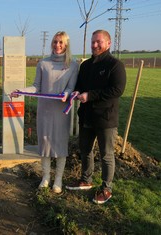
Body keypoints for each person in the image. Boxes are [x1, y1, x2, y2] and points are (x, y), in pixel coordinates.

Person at [11, 31, 79, 193]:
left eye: (61, 42)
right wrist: (22, 90)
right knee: (45, 143)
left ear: (66, 45)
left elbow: (71, 87)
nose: (58, 45)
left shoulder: (73, 65)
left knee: (60, 145)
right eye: (55, 42)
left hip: (61, 111)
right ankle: (46, 177)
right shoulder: (43, 64)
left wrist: (67, 94)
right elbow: (36, 87)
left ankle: (58, 180)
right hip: (45, 111)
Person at [65, 30, 126, 204]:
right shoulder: (86, 65)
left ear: (108, 43)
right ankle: (86, 180)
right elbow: (80, 85)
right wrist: (77, 91)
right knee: (85, 150)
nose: (95, 45)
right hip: (86, 115)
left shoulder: (115, 65)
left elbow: (117, 90)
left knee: (106, 154)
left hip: (105, 118)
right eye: (93, 42)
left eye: (99, 42)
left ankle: (106, 188)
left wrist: (89, 96)